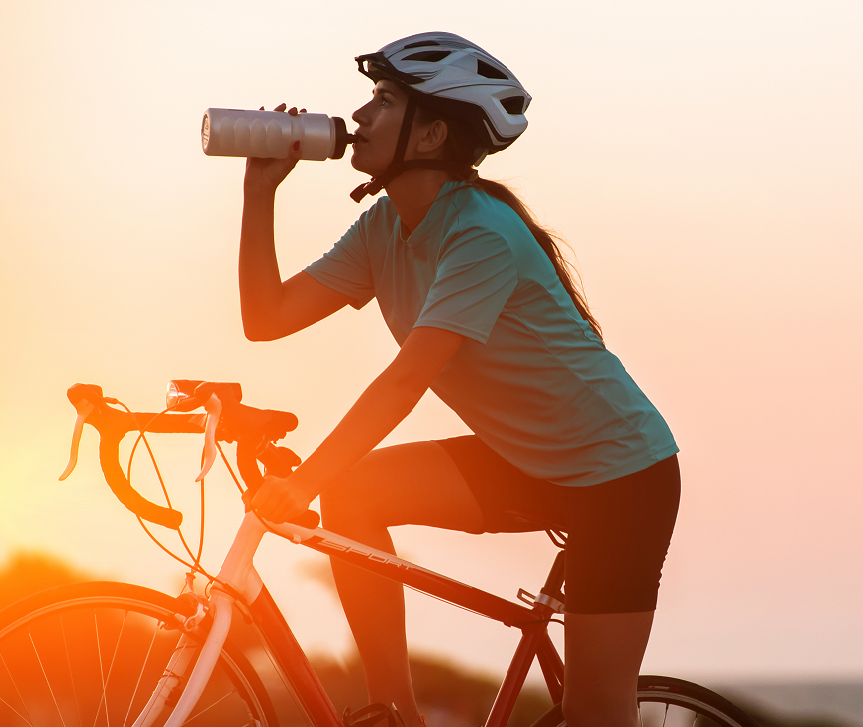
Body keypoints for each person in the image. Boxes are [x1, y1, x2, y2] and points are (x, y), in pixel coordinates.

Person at [240, 33, 680, 727]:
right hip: (525, 459)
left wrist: (302, 482)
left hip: (619, 475)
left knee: (596, 710)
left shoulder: (479, 232)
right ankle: (395, 713)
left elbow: (406, 380)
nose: (359, 113)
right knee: (354, 495)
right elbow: (266, 317)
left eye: (383, 101)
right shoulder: (384, 226)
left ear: (433, 132)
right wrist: (258, 193)